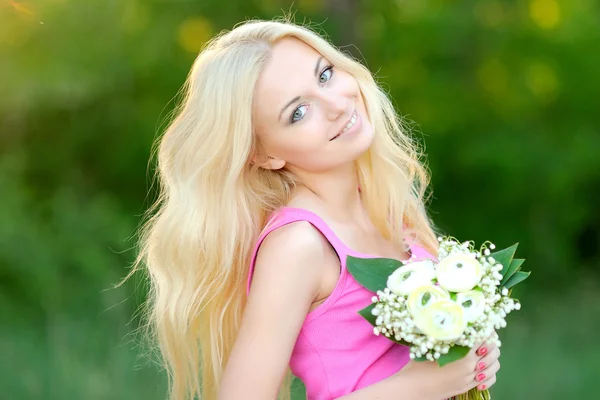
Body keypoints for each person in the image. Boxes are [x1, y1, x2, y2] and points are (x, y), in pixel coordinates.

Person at [129, 19, 501, 400]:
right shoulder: (298, 245)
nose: (337, 105)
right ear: (264, 154)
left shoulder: (385, 208)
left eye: (325, 75)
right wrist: (417, 387)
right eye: (298, 112)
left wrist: (470, 353)